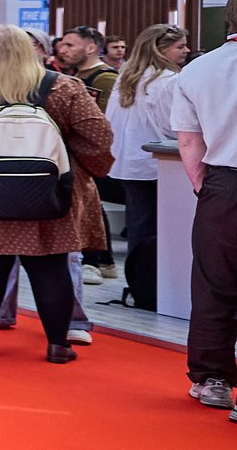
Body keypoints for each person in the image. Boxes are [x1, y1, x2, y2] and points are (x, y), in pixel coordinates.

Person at [0, 26, 114, 363]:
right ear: (31, 48)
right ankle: (58, 345)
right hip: (50, 192)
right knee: (51, 266)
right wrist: (73, 158)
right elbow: (98, 136)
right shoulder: (65, 86)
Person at [171, 32, 237, 413]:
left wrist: (203, 185)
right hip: (223, 181)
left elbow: (188, 140)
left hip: (224, 183)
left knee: (216, 282)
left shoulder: (198, 68)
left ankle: (214, 379)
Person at [110, 26, 186, 312]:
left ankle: (141, 286)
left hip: (131, 164)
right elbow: (175, 126)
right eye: (180, 46)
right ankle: (157, 290)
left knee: (140, 229)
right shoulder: (167, 81)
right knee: (158, 232)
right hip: (160, 165)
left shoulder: (126, 78)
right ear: (160, 49)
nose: (186, 51)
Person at [56, 25, 122, 279]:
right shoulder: (74, 77)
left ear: (91, 47)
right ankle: (101, 260)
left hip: (90, 154)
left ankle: (95, 260)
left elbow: (104, 122)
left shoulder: (105, 78)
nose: (64, 49)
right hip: (77, 153)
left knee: (89, 206)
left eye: (70, 45)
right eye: (62, 44)